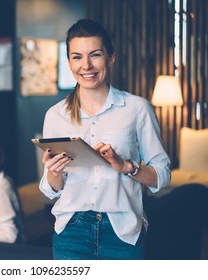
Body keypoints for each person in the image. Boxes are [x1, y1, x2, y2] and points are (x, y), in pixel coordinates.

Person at [39, 18, 171, 260]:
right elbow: (52, 189)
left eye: (95, 55)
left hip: (122, 232)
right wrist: (54, 173)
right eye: (77, 57)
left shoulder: (137, 109)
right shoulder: (55, 115)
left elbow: (162, 175)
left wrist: (127, 168)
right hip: (71, 232)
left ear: (110, 57)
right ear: (69, 62)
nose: (86, 65)